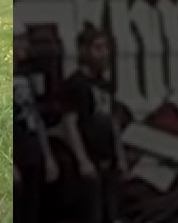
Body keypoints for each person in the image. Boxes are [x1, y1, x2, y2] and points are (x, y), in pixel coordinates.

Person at [60, 27, 127, 223]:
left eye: (106, 47)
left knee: (113, 214)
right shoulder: (75, 84)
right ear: (83, 51)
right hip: (90, 160)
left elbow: (112, 121)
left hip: (109, 159)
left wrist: (120, 156)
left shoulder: (104, 84)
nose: (104, 53)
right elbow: (69, 124)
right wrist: (83, 160)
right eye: (98, 48)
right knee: (92, 214)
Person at [15, 33, 59, 222]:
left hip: (32, 152)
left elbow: (36, 118)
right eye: (21, 40)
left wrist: (48, 157)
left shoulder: (25, 77)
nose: (26, 44)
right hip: (15, 152)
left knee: (34, 208)